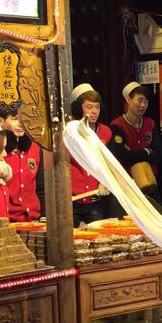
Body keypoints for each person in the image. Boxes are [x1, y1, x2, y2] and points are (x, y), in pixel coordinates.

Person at [108, 81, 162, 199]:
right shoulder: (117, 126)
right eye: (140, 100)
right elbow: (122, 156)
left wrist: (133, 153)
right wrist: (146, 151)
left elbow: (159, 155)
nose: (143, 105)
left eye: (146, 102)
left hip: (151, 184)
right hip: (128, 186)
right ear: (128, 100)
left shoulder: (150, 124)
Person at [69, 83, 111, 224]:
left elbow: (107, 163)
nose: (94, 111)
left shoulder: (106, 132)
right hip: (71, 200)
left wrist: (104, 182)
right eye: (89, 107)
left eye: (97, 107)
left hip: (95, 199)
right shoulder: (69, 132)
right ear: (78, 108)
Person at [0, 106, 43, 222]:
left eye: (24, 119)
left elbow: (41, 187)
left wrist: (44, 215)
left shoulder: (35, 147)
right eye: (15, 119)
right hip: (7, 221)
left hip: (34, 219)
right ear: (1, 121)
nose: (21, 124)